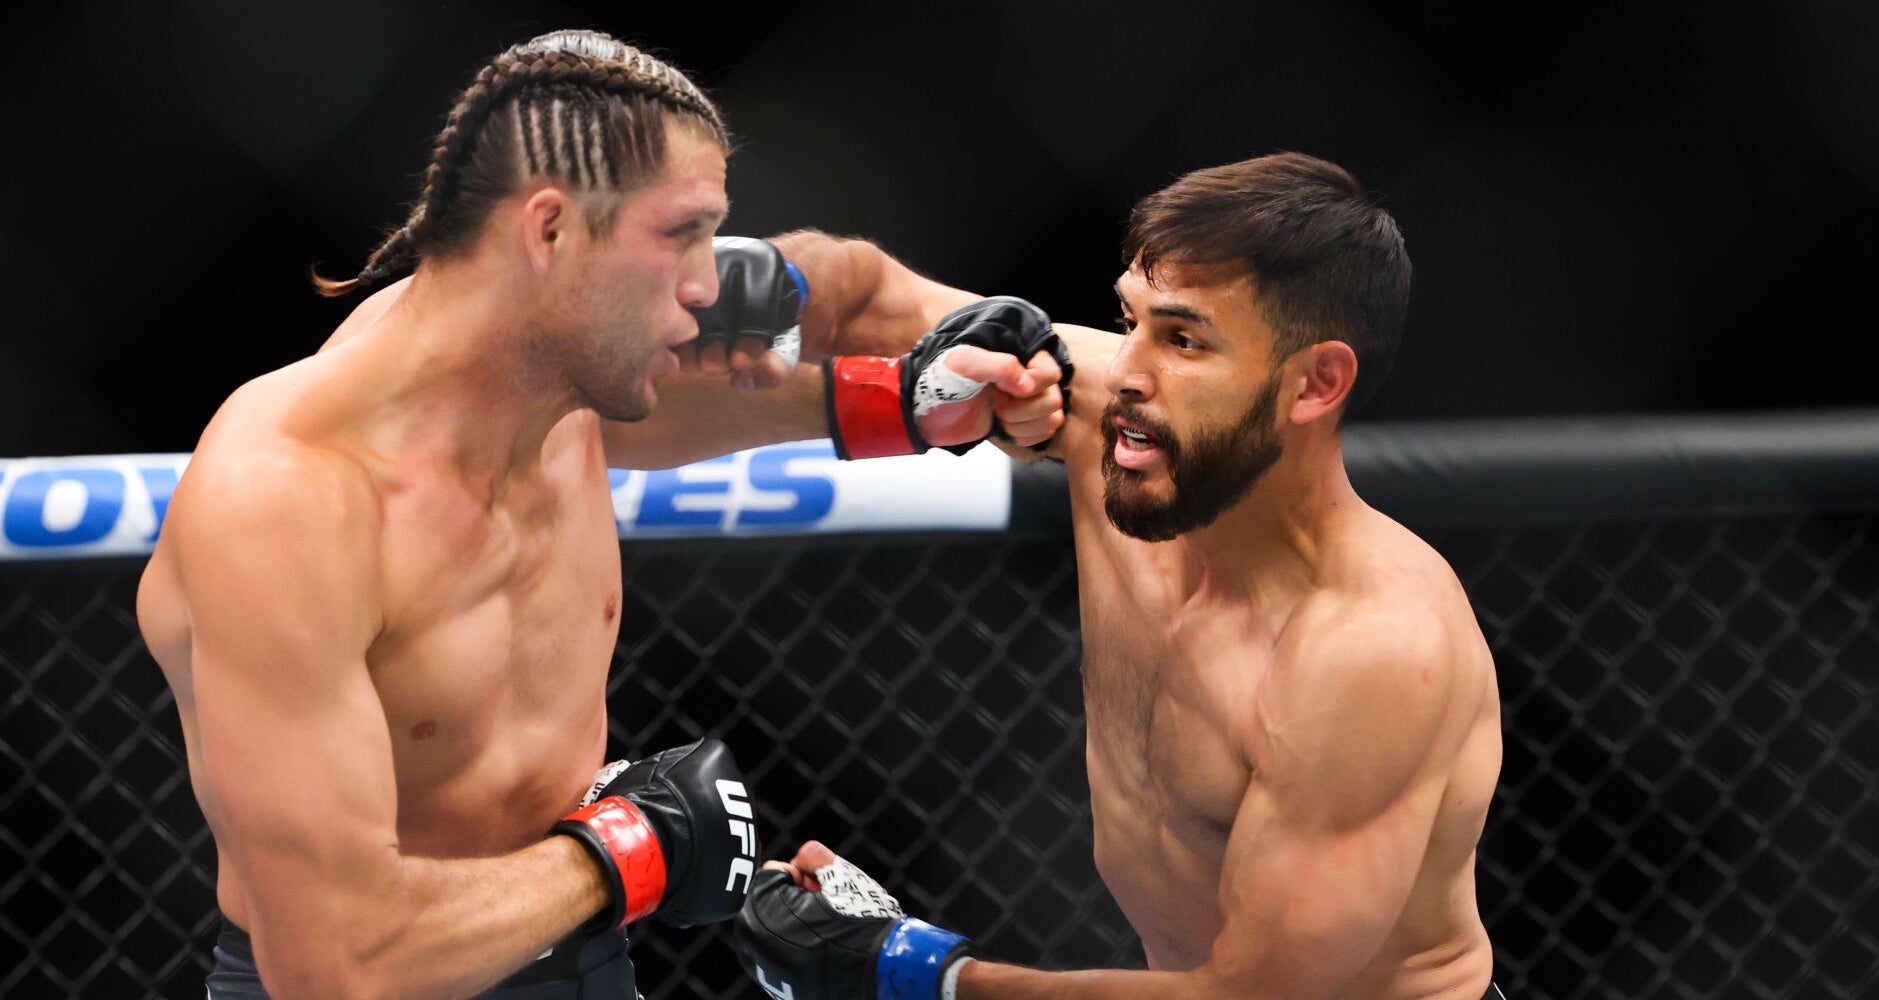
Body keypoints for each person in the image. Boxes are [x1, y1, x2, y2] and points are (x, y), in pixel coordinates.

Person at [134, 29, 1065, 1000]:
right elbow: (334, 966)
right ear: (549, 232)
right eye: (680, 235)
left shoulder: (544, 369)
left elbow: (661, 394)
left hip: (581, 961)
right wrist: (631, 846)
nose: (704, 284)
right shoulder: (289, 502)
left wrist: (899, 399)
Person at [727, 153, 1507, 999]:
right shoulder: (1119, 412)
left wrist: (912, 972)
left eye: (1183, 339)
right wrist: (753, 286)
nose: (1127, 372)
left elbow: (1255, 995)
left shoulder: (1373, 649)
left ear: (1315, 384)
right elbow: (869, 293)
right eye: (1128, 319)